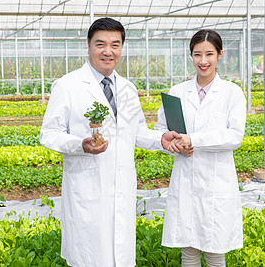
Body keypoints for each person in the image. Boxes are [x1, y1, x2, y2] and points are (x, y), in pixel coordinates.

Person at [40, 17, 182, 267]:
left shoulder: (127, 88)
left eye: (115, 45)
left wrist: (160, 138)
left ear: (121, 48)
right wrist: (80, 145)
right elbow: (49, 133)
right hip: (87, 187)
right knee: (90, 257)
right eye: (101, 44)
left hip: (121, 186)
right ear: (88, 46)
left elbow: (136, 131)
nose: (108, 51)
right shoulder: (68, 85)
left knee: (120, 255)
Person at [155, 29, 246, 267]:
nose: (203, 61)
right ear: (191, 56)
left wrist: (193, 139)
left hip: (217, 182)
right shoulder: (176, 93)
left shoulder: (231, 93)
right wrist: (174, 145)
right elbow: (161, 131)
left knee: (215, 250)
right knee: (189, 250)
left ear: (220, 55)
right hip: (186, 179)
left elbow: (234, 136)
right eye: (197, 54)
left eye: (209, 54)